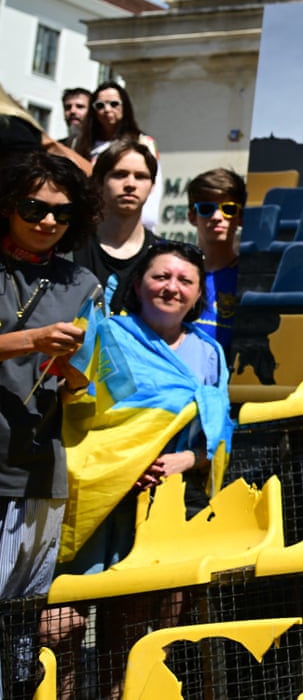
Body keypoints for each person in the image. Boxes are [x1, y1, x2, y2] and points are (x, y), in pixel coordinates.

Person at [51, 240, 230, 700]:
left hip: (168, 508)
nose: (171, 288)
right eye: (160, 276)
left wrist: (186, 460)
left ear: (197, 297)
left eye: (184, 281)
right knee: (68, 629)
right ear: (138, 283)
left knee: (145, 636)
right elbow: (81, 410)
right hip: (101, 501)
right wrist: (124, 463)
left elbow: (220, 428)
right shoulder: (107, 335)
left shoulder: (209, 353)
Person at [0, 153, 97, 696]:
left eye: (61, 212)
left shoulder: (81, 282)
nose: (47, 221)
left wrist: (76, 376)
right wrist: (30, 341)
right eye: (34, 206)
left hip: (39, 472)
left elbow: (93, 388)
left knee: (18, 627)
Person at [73, 142, 157, 290]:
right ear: (99, 182)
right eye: (119, 175)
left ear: (152, 186)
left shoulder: (161, 255)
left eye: (140, 176)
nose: (130, 184)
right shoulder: (70, 248)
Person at [77, 84, 159, 233]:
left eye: (114, 104)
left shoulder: (144, 142)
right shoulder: (81, 145)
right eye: (100, 105)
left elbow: (153, 185)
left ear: (125, 107)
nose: (107, 109)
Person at [185, 169, 247, 361]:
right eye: (206, 208)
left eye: (228, 209)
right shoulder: (174, 276)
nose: (217, 216)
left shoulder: (247, 278)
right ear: (192, 217)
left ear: (240, 218)